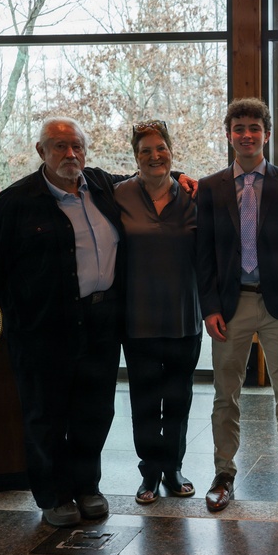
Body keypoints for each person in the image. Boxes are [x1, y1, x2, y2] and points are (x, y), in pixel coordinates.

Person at [0, 117, 125, 527]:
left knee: (95, 411)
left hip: (101, 321)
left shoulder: (102, 186)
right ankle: (54, 494)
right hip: (43, 329)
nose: (69, 154)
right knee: (46, 414)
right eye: (59, 146)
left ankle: (86, 486)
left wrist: (182, 177)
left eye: (76, 145)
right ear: (41, 152)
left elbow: (145, 175)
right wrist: (25, 313)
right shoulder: (17, 200)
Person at [196, 98, 278, 512]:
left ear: (266, 133)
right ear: (228, 134)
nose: (246, 135)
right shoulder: (211, 187)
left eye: (254, 128)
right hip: (231, 307)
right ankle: (224, 473)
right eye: (238, 128)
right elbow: (204, 253)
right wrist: (209, 306)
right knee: (225, 394)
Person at [114, 120, 201, 505]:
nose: (154, 156)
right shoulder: (117, 195)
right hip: (138, 318)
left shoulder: (193, 195)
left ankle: (173, 467)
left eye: (160, 148)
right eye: (146, 150)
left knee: (179, 398)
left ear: (172, 151)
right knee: (145, 400)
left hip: (184, 316)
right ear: (135, 157)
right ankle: (149, 471)